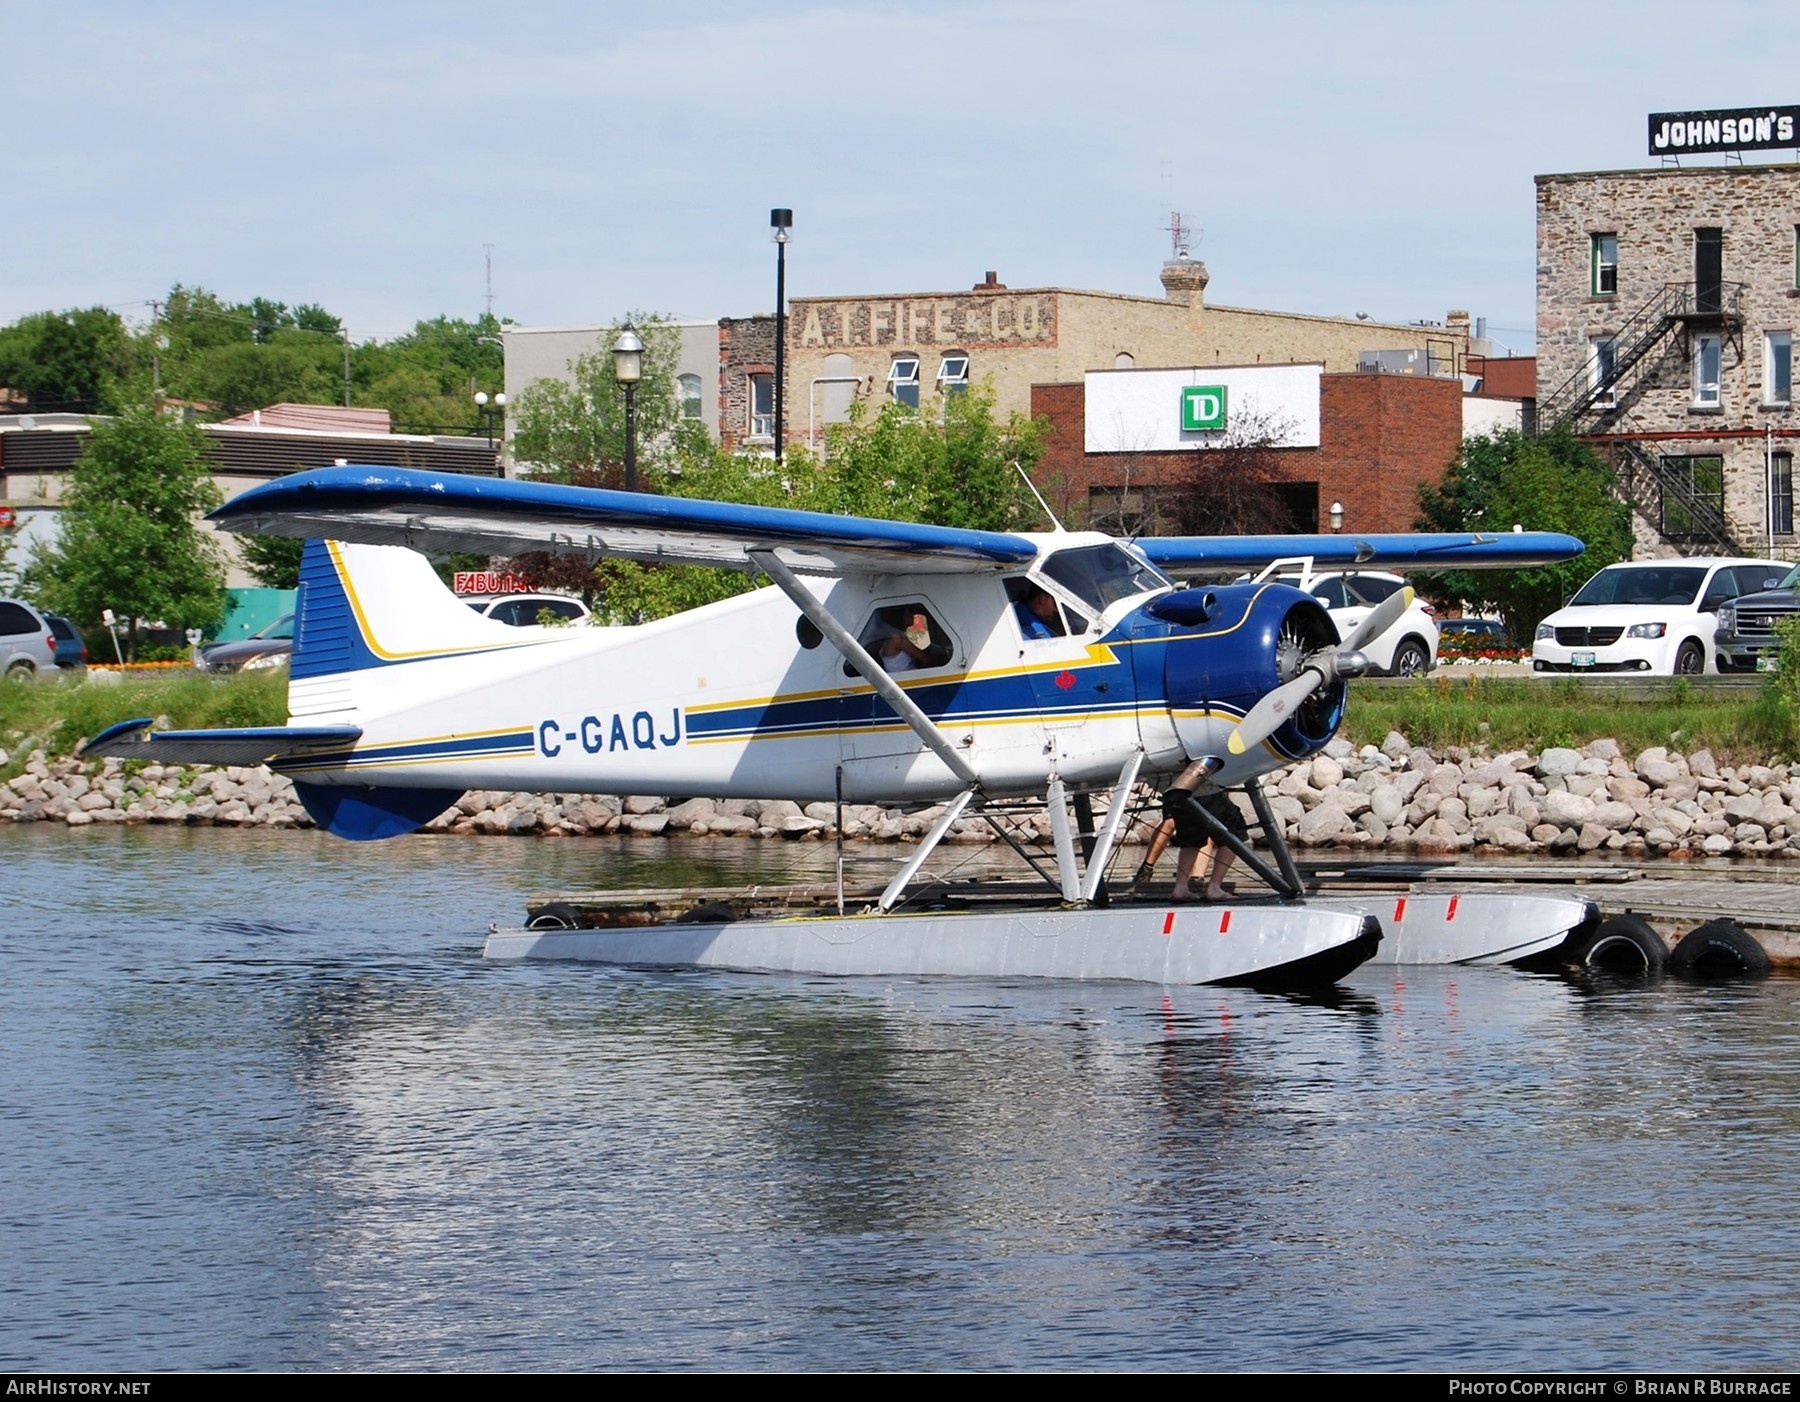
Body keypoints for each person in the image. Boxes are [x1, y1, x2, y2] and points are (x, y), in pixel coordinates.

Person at [1159, 758, 1243, 903]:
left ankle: (1180, 887)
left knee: (1190, 839)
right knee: (1234, 833)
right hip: (1202, 784)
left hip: (1175, 787)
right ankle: (1214, 887)